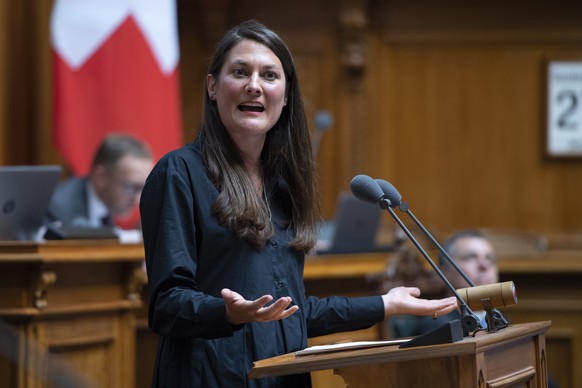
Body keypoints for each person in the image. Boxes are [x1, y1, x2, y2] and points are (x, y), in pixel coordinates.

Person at [139, 20, 458, 388]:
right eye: (240, 72)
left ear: (286, 95)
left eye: (269, 75)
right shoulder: (178, 173)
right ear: (213, 86)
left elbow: (293, 312)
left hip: (284, 377)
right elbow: (165, 306)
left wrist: (385, 304)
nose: (254, 85)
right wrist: (227, 313)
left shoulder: (283, 187)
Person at [390, 229, 498, 338]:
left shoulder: (500, 320)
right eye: (470, 257)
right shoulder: (438, 328)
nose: (485, 265)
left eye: (490, 258)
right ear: (443, 271)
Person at [46, 133, 153, 229]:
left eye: (143, 189)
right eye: (130, 187)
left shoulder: (108, 204)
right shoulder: (59, 210)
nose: (137, 200)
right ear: (100, 176)